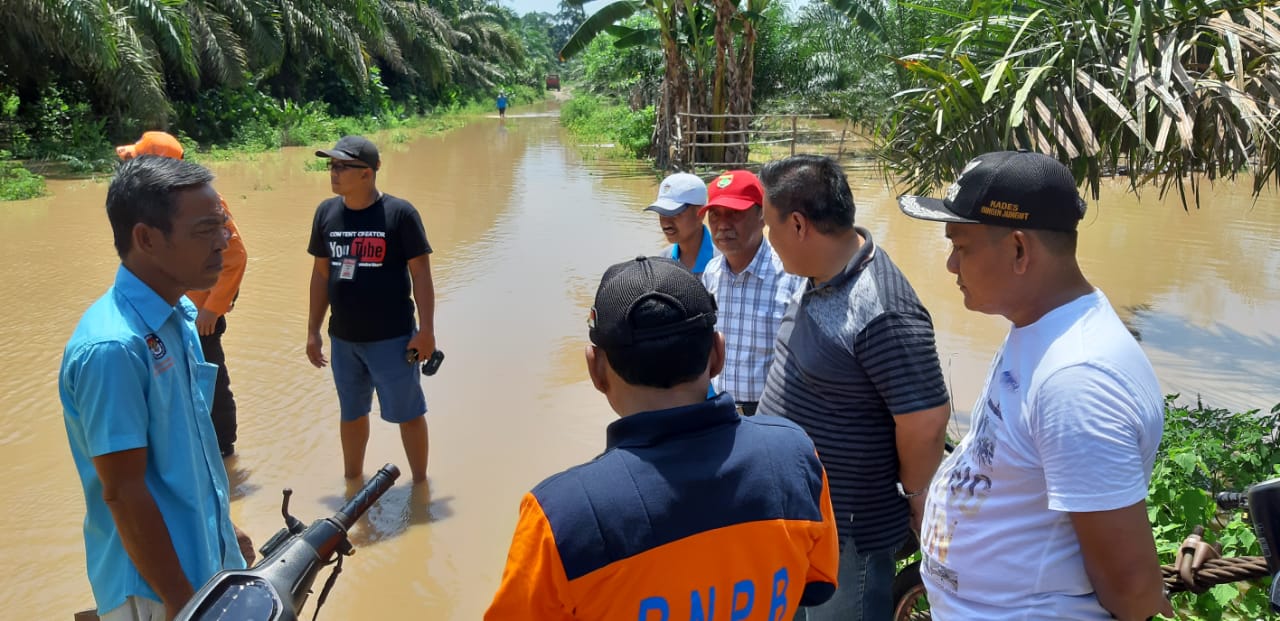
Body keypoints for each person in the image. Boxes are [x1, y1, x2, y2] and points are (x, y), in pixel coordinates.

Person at [485, 256, 840, 620]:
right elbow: (817, 582)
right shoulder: (794, 459)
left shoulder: (559, 518)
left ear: (595, 368)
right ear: (718, 354)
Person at [897, 150, 1173, 620]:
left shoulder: (1077, 378)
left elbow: (1131, 586)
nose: (949, 265)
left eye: (960, 246)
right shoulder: (1038, 328)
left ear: (1020, 250)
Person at [756, 155, 952, 621]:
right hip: (801, 515)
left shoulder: (883, 308)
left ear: (799, 225)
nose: (766, 238)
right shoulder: (821, 274)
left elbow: (925, 421)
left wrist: (917, 499)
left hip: (847, 531)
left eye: (769, 225)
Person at [60, 155, 254, 621]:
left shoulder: (179, 318)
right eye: (205, 230)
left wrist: (223, 530)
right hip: (154, 592)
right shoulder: (113, 348)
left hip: (200, 566)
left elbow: (187, 452)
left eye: (223, 223)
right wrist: (182, 602)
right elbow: (123, 492)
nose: (225, 241)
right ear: (146, 238)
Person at [306, 135, 435, 484]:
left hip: (392, 338)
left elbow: (420, 273)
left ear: (367, 173)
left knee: (409, 414)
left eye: (341, 166)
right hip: (344, 340)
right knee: (351, 413)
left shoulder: (399, 214)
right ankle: (353, 482)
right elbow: (321, 275)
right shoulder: (326, 213)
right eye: (331, 166)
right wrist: (312, 331)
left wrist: (426, 331)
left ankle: (420, 485)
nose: (333, 173)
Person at [116, 131, 248, 457]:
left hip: (197, 316)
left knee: (210, 381)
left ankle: (223, 454)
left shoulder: (205, 204)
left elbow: (234, 257)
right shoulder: (145, 203)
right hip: (165, 313)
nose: (128, 168)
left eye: (137, 161)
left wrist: (212, 309)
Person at [699, 169, 805, 415]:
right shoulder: (711, 273)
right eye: (714, 215)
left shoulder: (791, 276)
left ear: (763, 216)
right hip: (720, 412)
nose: (722, 225)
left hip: (774, 413)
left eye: (735, 213)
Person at [644, 171, 716, 275]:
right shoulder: (663, 261)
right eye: (661, 213)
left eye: (675, 213)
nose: (666, 223)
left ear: (701, 214)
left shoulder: (723, 262)